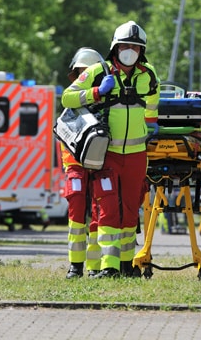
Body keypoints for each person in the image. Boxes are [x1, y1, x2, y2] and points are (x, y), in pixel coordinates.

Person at [61, 21, 160, 278]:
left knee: (130, 210)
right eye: (125, 46)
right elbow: (67, 98)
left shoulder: (149, 74)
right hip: (108, 155)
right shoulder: (97, 71)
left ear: (142, 51)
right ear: (115, 47)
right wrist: (95, 92)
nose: (130, 50)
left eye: (135, 47)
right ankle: (108, 265)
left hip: (137, 156)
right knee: (108, 209)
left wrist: (151, 124)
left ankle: (127, 265)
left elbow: (153, 103)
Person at [62, 47, 103, 279]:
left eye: (87, 72)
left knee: (99, 214)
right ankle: (75, 266)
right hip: (76, 166)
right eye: (80, 72)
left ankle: (95, 267)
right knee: (77, 213)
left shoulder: (105, 105)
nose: (83, 76)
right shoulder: (70, 104)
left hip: (98, 166)